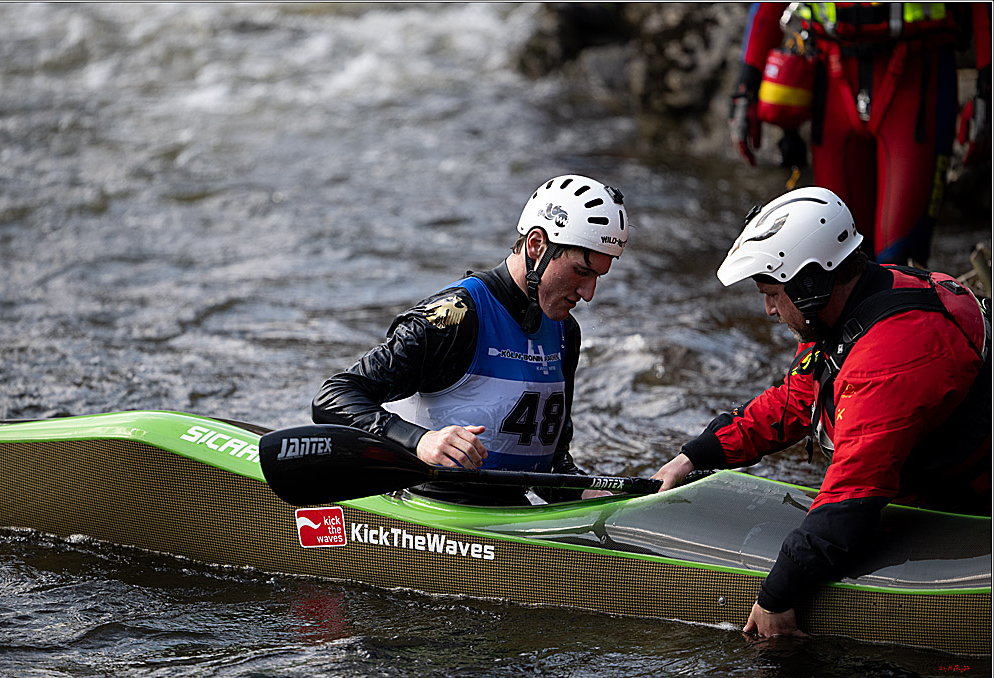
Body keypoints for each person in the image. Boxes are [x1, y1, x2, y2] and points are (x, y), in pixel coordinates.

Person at [653, 186, 991, 638]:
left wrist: (777, 596)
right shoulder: (852, 306)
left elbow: (851, 500)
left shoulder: (892, 355)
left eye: (772, 293)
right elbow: (793, 401)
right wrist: (691, 457)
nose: (769, 309)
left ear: (810, 284)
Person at [312, 175, 630, 505]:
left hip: (506, 511)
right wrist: (421, 441)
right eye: (582, 271)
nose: (588, 293)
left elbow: (550, 467)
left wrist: (585, 492)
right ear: (536, 245)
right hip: (424, 503)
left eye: (597, 277)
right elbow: (335, 396)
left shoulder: (565, 333)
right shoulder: (455, 316)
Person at [729, 2, 991, 266]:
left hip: (916, 75)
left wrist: (987, 88)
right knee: (838, 261)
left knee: (900, 261)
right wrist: (745, 88)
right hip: (831, 75)